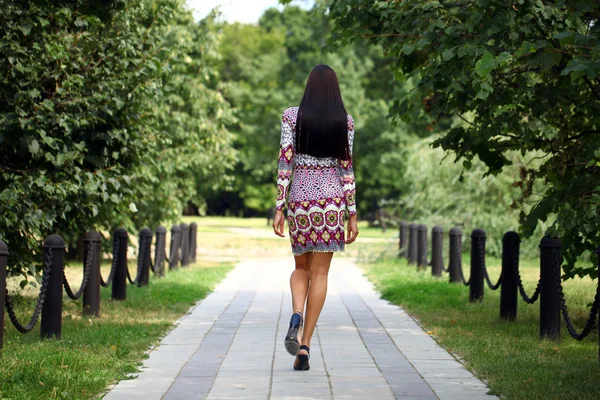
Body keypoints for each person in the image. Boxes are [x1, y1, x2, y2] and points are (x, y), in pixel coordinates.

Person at [272, 64, 359, 371]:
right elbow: (346, 169)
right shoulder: (344, 122)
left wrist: (280, 206)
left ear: (308, 87)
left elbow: (285, 163)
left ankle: (296, 312)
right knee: (320, 274)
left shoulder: (291, 117)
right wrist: (352, 213)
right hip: (332, 203)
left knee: (300, 267)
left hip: (300, 201)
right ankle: (305, 347)